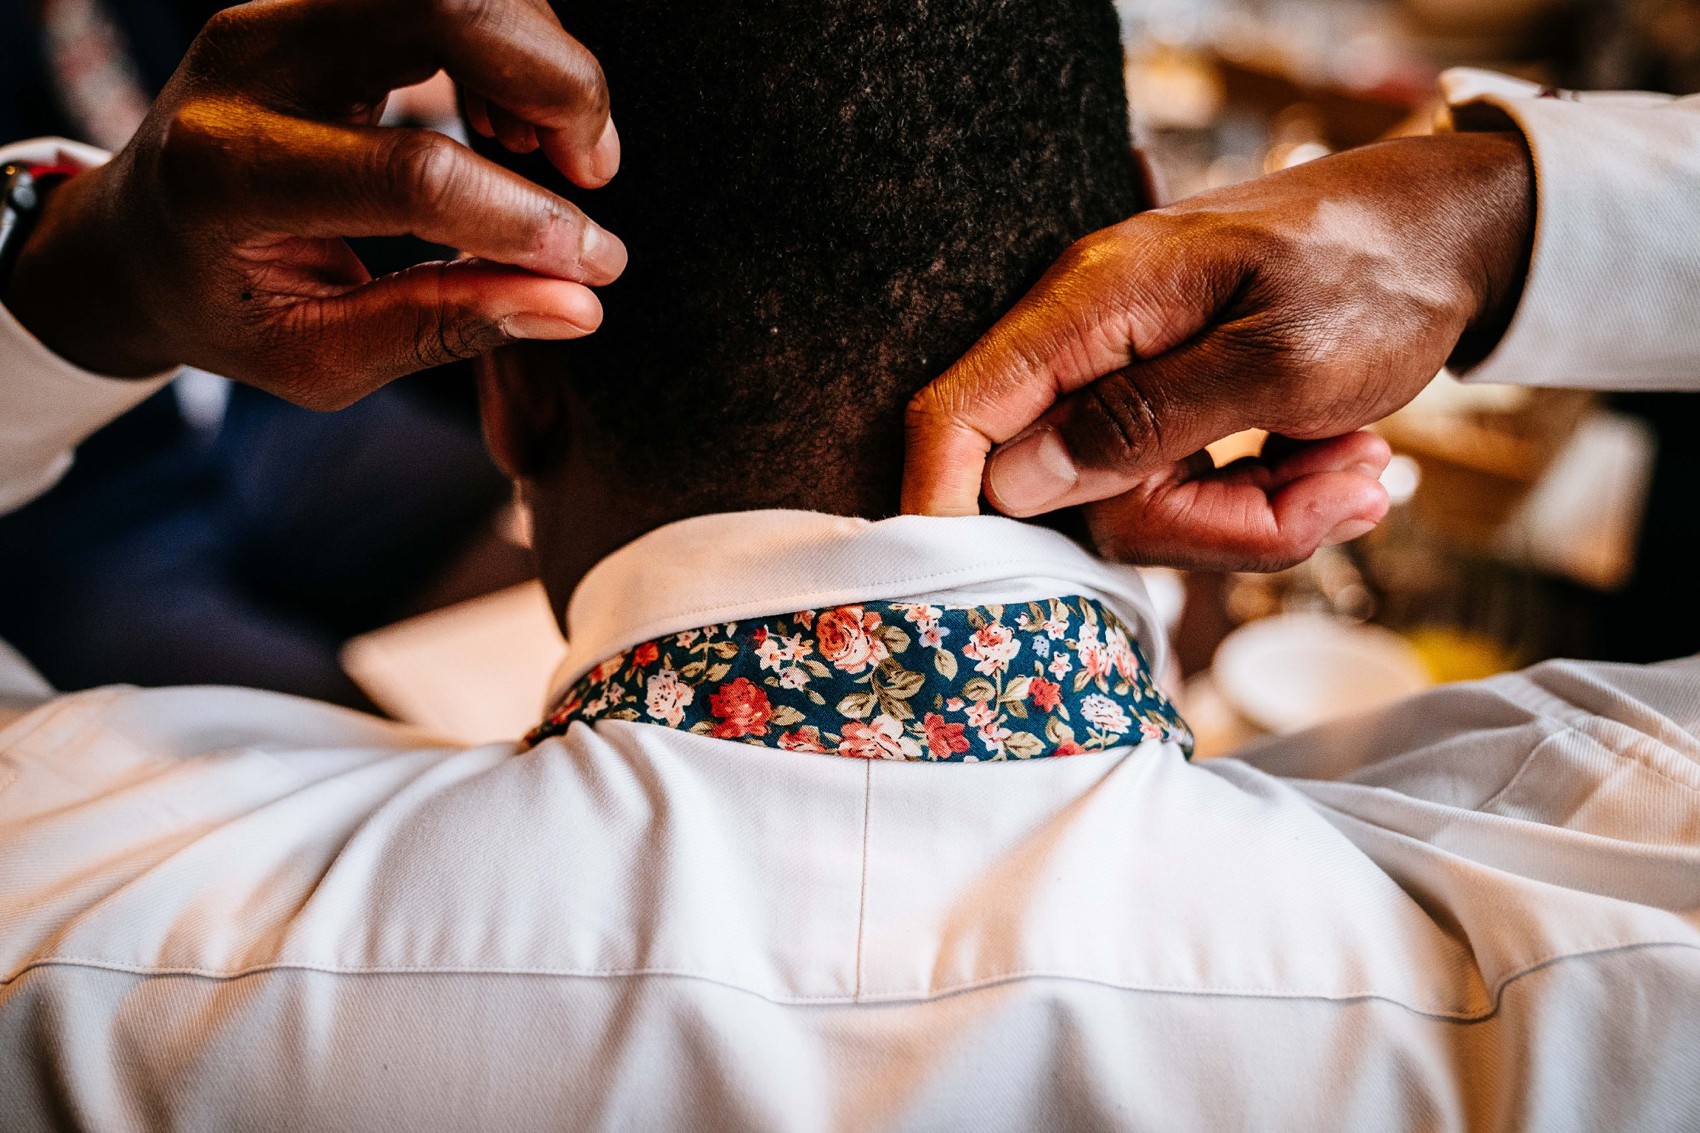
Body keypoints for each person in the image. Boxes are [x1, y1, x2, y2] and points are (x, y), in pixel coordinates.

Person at [1, 2, 1699, 1131]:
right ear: (1151, 239)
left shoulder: (84, 946)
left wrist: (76, 278)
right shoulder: (1618, 933)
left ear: (507, 381)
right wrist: (1508, 213)